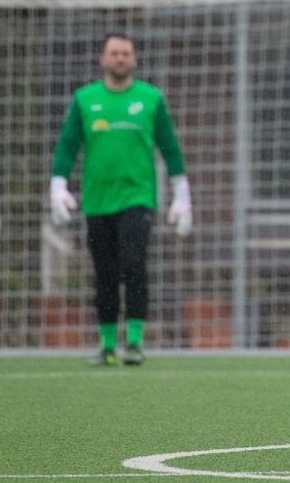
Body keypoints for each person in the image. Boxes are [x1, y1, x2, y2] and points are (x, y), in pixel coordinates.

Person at [49, 33, 193, 367]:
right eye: (114, 53)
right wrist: (58, 186)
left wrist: (182, 196)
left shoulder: (150, 98)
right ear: (103, 59)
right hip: (98, 201)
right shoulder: (85, 100)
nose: (119, 58)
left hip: (138, 197)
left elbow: (170, 148)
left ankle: (136, 342)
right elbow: (67, 146)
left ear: (134, 60)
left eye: (125, 53)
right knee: (104, 273)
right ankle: (107, 346)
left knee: (134, 265)